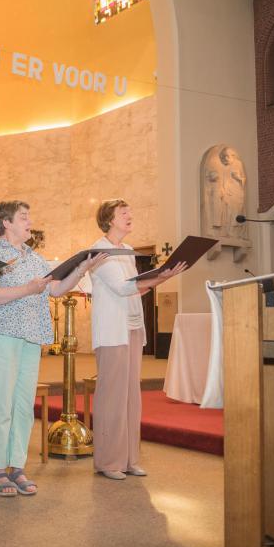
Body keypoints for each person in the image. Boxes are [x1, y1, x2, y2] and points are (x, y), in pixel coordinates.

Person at [0, 201, 106, 497]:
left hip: (30, 336)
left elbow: (57, 290)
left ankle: (17, 466)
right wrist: (27, 289)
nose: (29, 222)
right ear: (6, 223)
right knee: (1, 404)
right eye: (24, 217)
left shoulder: (35, 258)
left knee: (23, 406)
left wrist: (81, 268)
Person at [89, 199, 187, 480]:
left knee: (132, 395)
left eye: (130, 211)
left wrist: (161, 279)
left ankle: (129, 458)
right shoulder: (100, 251)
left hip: (132, 326)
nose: (130, 216)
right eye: (124, 213)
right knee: (112, 396)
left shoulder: (129, 251)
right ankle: (108, 461)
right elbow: (121, 288)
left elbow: (136, 290)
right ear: (109, 220)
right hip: (112, 331)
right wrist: (158, 277)